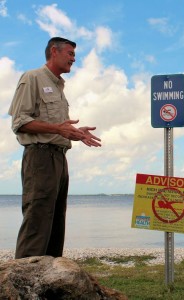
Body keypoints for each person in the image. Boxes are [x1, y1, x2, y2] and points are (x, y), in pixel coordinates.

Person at [9, 37, 101, 259]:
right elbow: (19, 123)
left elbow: (60, 128)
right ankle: (23, 280)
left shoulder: (59, 87)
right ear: (54, 51)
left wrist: (76, 134)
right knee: (37, 219)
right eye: (70, 53)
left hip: (60, 158)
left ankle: (51, 278)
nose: (74, 58)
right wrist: (59, 130)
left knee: (56, 222)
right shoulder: (32, 78)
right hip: (40, 157)